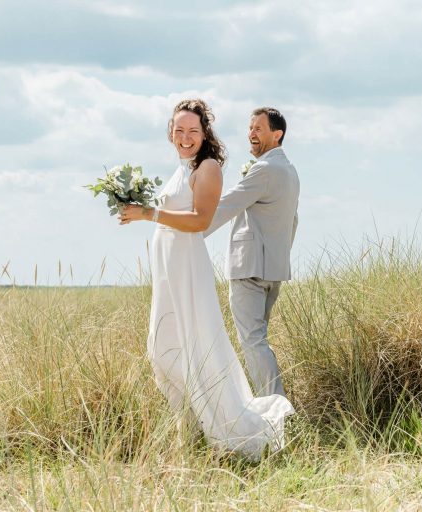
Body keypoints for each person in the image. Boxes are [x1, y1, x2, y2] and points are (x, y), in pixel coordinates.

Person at [120, 99, 293, 460]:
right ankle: (189, 425)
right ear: (171, 131)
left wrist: (149, 214)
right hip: (169, 268)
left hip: (187, 266)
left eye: (193, 131)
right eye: (179, 130)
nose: (185, 137)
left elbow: (200, 221)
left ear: (205, 134)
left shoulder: (208, 167)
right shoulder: (181, 168)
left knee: (198, 342)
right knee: (164, 346)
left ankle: (227, 424)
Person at [203, 107, 300, 398]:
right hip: (273, 270)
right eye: (250, 128)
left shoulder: (265, 169)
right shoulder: (290, 172)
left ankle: (276, 411)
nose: (251, 134)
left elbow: (226, 205)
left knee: (253, 342)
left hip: (250, 269)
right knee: (258, 340)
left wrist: (188, 232)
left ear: (277, 134)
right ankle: (268, 404)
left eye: (258, 128)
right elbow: (292, 220)